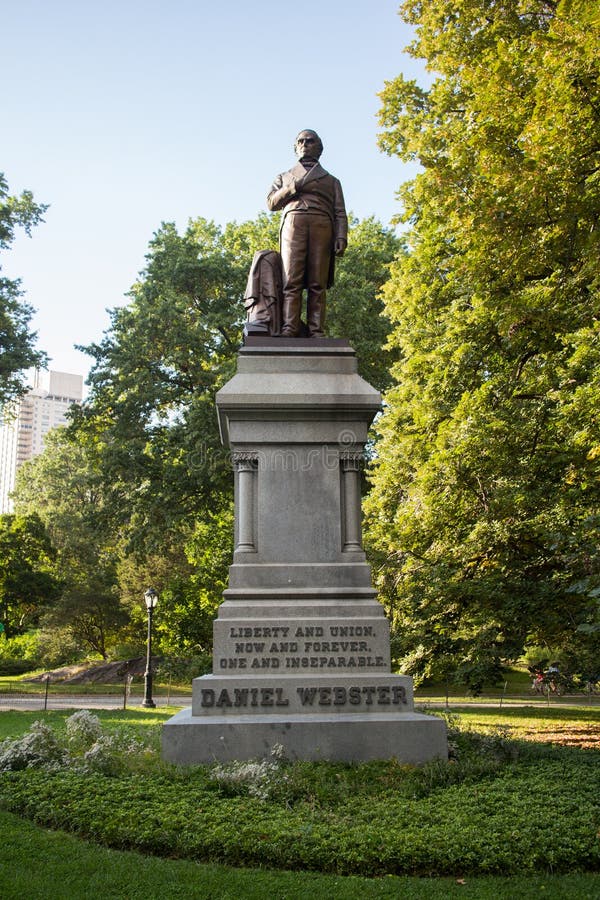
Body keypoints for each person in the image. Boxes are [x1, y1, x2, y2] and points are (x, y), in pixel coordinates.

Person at [267, 129, 347, 337]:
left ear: (318, 148)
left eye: (310, 141)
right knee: (291, 279)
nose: (305, 145)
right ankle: (289, 327)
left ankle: (315, 330)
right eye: (300, 141)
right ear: (295, 147)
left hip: (322, 226)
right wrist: (291, 188)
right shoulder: (284, 177)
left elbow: (339, 212)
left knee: (317, 282)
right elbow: (271, 203)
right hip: (294, 225)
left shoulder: (331, 181)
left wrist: (341, 237)